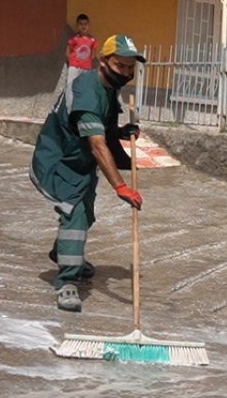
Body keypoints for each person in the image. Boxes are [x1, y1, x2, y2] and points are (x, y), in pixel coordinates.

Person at [30, 34, 145, 312]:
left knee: (87, 213)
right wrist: (120, 186)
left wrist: (120, 132)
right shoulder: (86, 90)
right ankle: (67, 282)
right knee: (75, 214)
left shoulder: (106, 89)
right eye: (121, 65)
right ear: (103, 61)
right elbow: (96, 144)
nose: (126, 73)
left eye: (131, 68)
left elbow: (102, 128)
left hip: (80, 164)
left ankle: (64, 251)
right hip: (59, 162)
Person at [64, 14, 98, 108]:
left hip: (86, 68)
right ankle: (69, 108)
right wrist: (72, 64)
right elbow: (67, 52)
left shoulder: (92, 40)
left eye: (85, 24)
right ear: (77, 25)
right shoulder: (74, 39)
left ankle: (82, 107)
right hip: (74, 67)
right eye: (81, 24)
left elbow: (93, 54)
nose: (83, 26)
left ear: (89, 25)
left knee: (85, 88)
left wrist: (88, 64)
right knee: (70, 87)